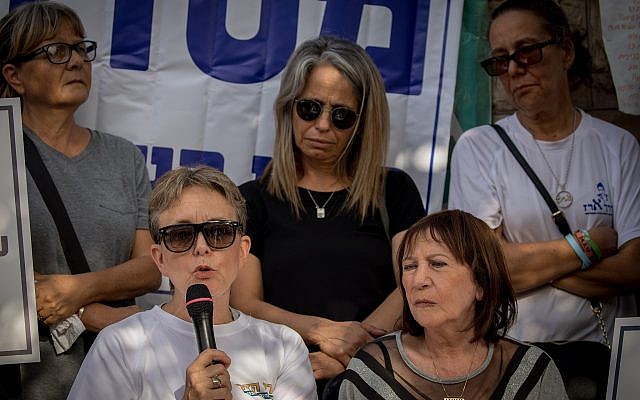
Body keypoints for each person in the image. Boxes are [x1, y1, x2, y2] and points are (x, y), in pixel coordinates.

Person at [231, 36, 425, 391]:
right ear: (289, 108)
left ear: (363, 123)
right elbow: (245, 304)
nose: (322, 125)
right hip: (276, 381)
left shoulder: (394, 191)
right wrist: (319, 330)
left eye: (341, 116)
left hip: (375, 381)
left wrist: (352, 355)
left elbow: (414, 284)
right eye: (309, 108)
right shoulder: (253, 199)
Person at [449, 0, 639, 345]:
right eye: (500, 60)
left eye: (527, 51)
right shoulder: (479, 148)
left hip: (609, 354)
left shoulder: (618, 146)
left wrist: (529, 264)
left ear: (565, 51)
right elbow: (485, 271)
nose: (514, 69)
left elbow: (633, 268)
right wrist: (590, 244)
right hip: (518, 357)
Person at [0, 2, 161, 399]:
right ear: (14, 76)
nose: (74, 62)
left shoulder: (124, 157)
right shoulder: (0, 150)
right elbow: (7, 278)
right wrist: (94, 315)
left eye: (80, 49)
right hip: (22, 380)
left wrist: (79, 292)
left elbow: (150, 269)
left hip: (113, 376)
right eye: (55, 51)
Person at [68, 165, 318, 399]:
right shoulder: (121, 344)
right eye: (181, 235)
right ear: (160, 258)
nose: (201, 248)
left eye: (219, 232)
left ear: (243, 251)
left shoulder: (283, 346)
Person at [338, 210, 568, 399]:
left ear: (481, 283)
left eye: (437, 264)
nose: (419, 281)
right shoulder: (372, 370)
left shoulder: (530, 370)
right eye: (409, 267)